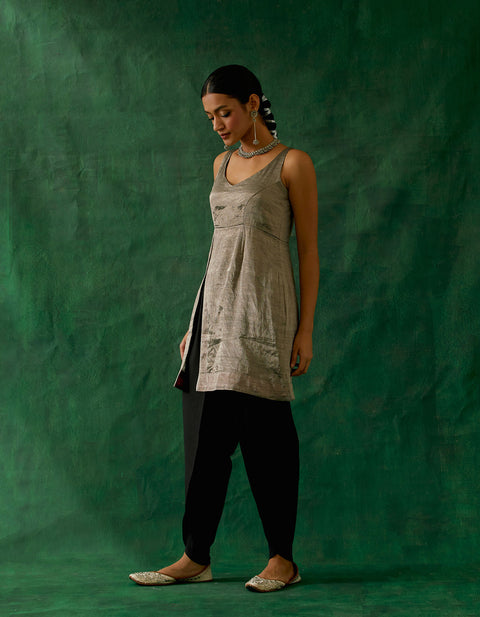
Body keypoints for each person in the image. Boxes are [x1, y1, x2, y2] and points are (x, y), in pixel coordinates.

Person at [129, 65, 319, 593]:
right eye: (210, 116)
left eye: (225, 112)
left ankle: (282, 559)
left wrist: (305, 330)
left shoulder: (292, 164)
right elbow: (221, 247)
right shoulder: (221, 163)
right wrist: (195, 322)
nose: (217, 124)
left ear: (253, 103)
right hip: (212, 318)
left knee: (267, 441)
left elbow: (308, 252)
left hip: (261, 316)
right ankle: (196, 556)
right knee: (204, 443)